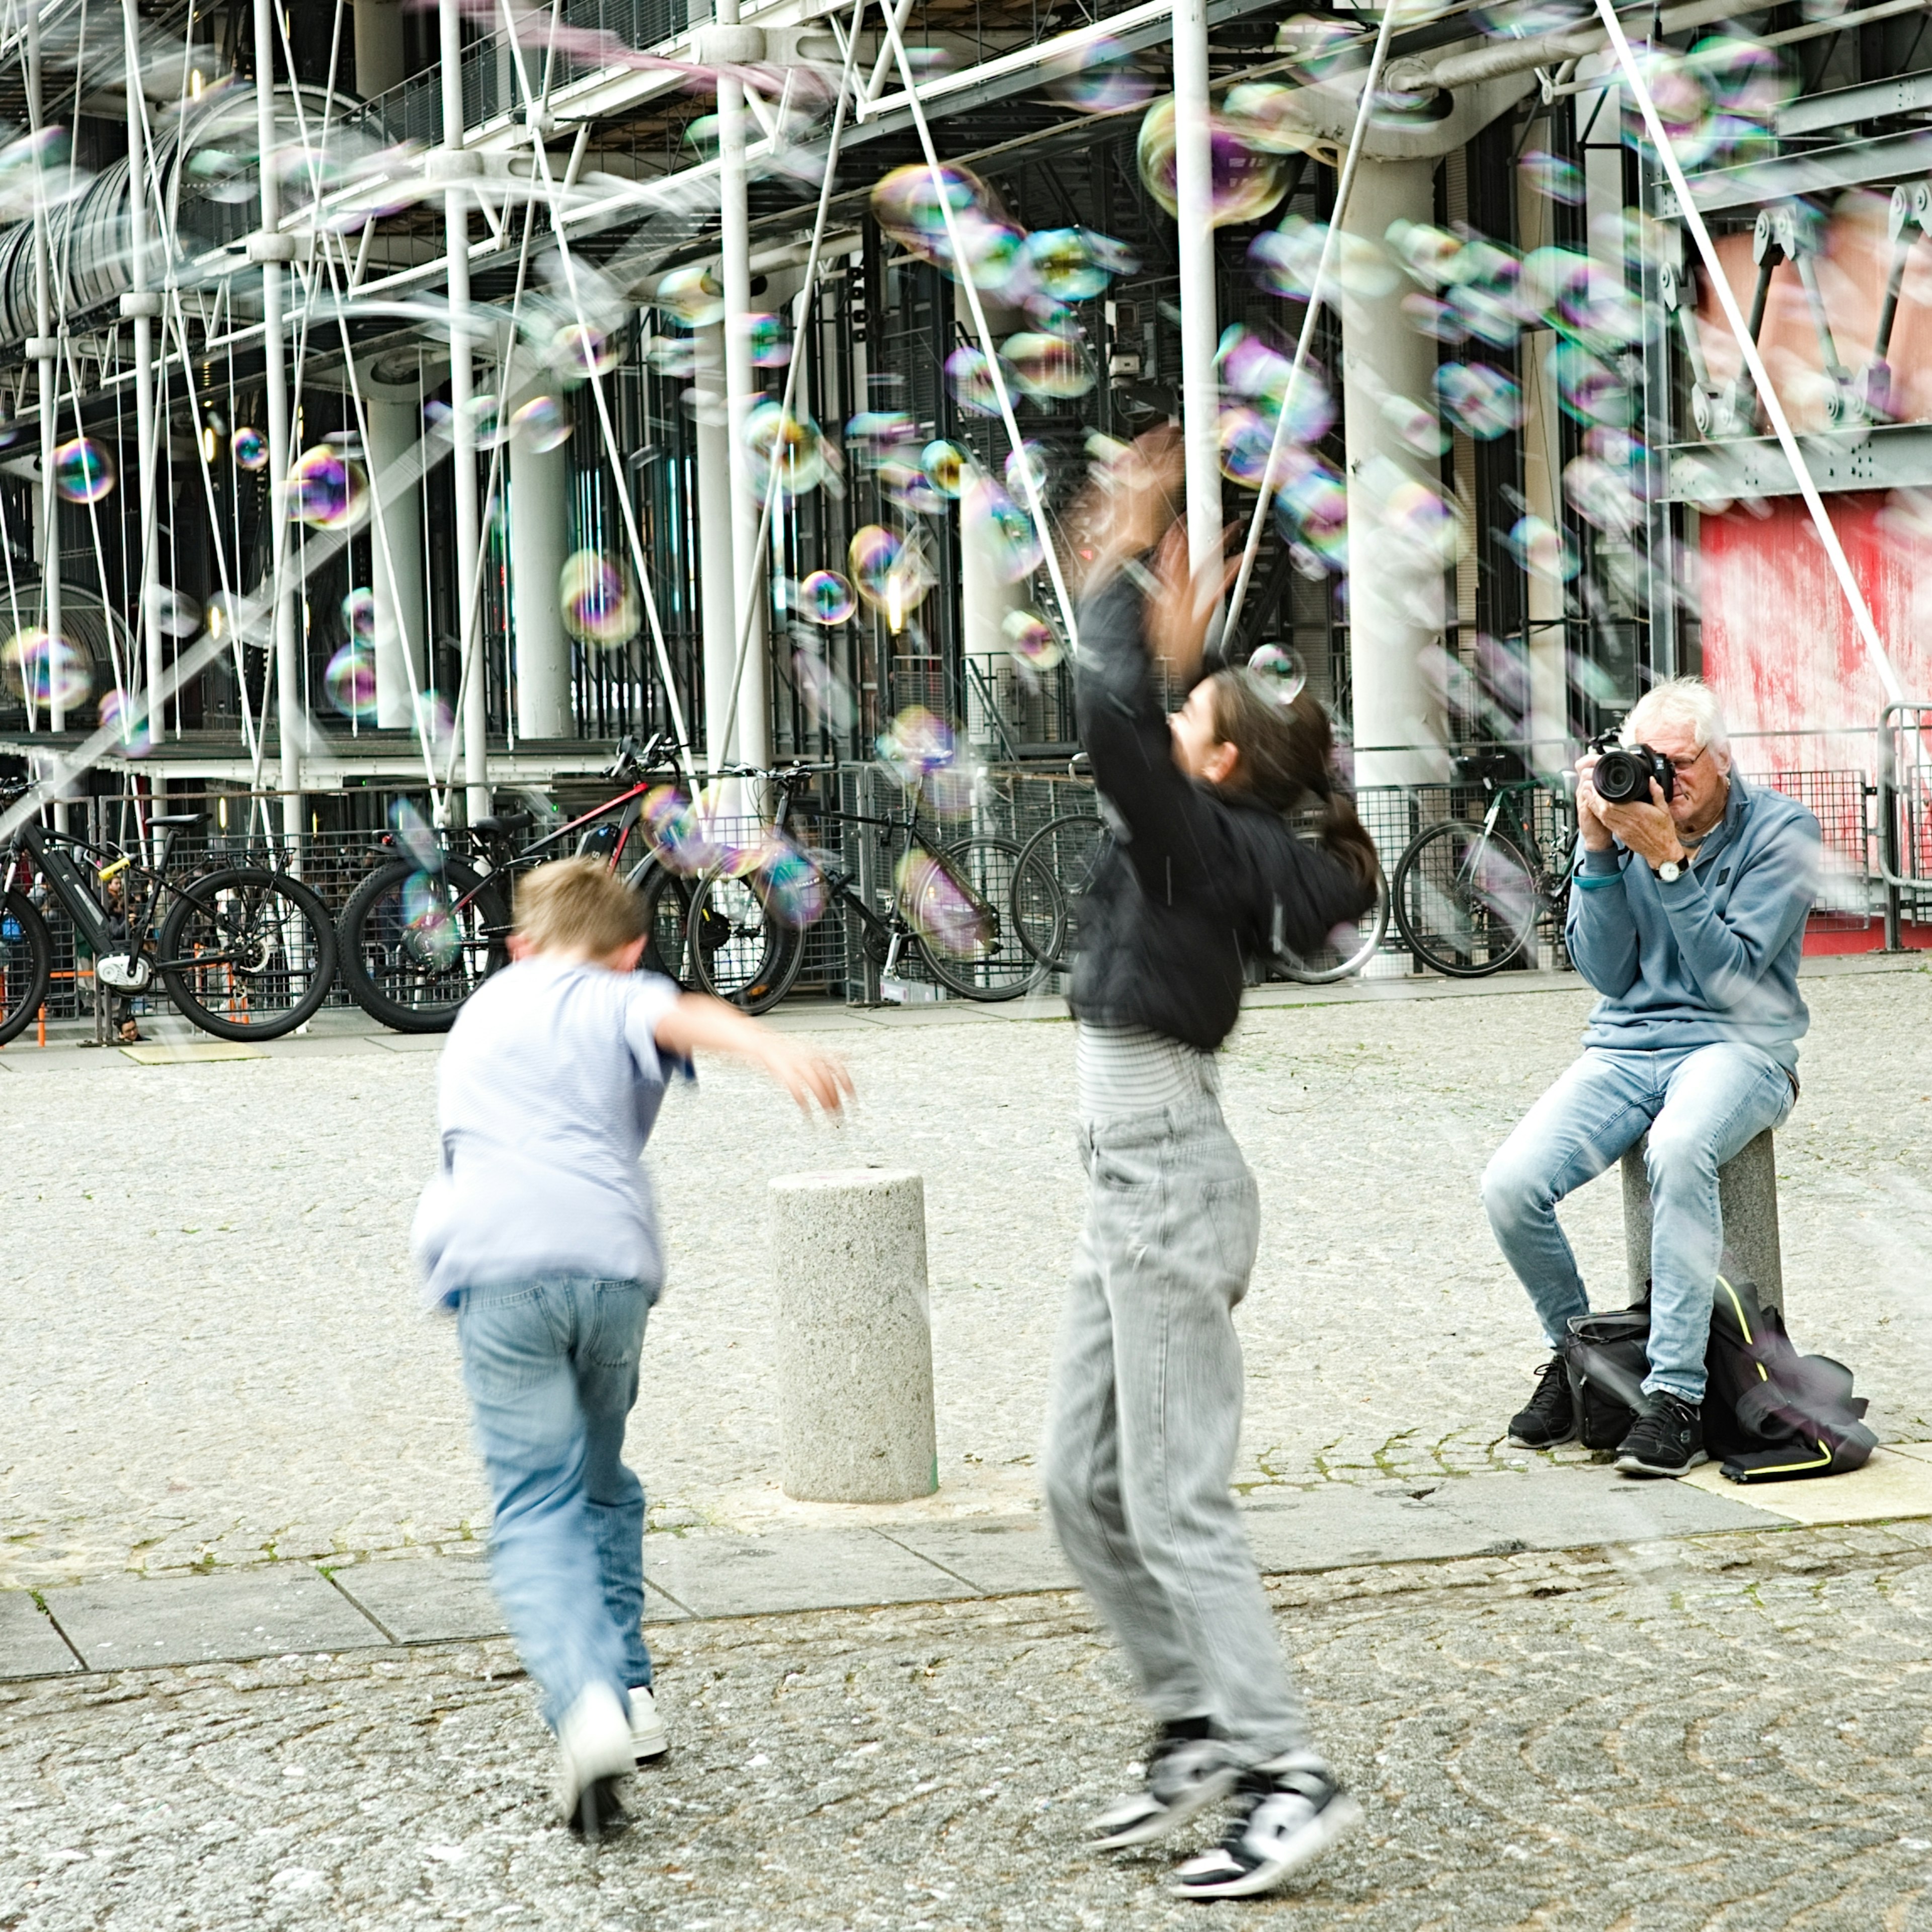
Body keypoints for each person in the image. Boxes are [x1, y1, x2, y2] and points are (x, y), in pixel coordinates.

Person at [1042, 429, 1380, 1900]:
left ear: (1223, 757)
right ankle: (1191, 1718)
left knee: (1174, 1496)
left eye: (1201, 710)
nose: (1177, 715)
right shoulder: (1202, 829)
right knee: (1078, 1480)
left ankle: (1286, 1766)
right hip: (1131, 1175)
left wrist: (1127, 552)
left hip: (1169, 1175)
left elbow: (1113, 720)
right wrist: (1136, 596)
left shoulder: (1204, 838)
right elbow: (1125, 723)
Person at [412, 856, 851, 1837]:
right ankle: (634, 1692)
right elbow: (679, 1016)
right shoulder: (621, 993)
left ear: (521, 944)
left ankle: (587, 1702)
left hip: (497, 1270)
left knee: (537, 1501)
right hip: (611, 1274)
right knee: (602, 1482)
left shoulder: (493, 1001)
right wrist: (770, 1050)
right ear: (633, 950)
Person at [1482, 679, 1820, 1477]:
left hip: (1743, 1048)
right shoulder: (1624, 822)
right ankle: (1581, 1364)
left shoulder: (1782, 832)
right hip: (1626, 1048)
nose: (1661, 780)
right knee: (1509, 1185)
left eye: (1678, 763)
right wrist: (1600, 849)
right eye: (1647, 761)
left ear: (1724, 759)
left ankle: (1673, 1397)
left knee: (1677, 1148)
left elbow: (1729, 976)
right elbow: (1607, 971)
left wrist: (1670, 863)